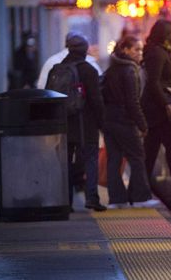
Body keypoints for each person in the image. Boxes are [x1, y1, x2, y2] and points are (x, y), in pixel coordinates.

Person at [101, 36, 157, 208]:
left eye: (141, 50)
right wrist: (142, 124)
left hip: (108, 120)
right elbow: (133, 102)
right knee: (137, 157)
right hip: (124, 120)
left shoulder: (111, 69)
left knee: (114, 159)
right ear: (125, 50)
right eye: (136, 49)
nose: (140, 53)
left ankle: (117, 200)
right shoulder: (130, 70)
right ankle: (140, 198)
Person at [141, 19, 171, 202]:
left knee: (152, 152)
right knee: (169, 151)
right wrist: (167, 106)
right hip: (157, 112)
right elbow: (153, 83)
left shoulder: (160, 52)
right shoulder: (157, 54)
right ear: (165, 35)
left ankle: (140, 192)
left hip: (157, 110)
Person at [59, 34, 106, 211]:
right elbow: (96, 100)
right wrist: (102, 124)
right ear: (85, 50)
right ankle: (91, 199)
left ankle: (66, 201)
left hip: (64, 125)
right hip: (86, 125)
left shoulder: (58, 69)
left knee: (66, 163)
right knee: (90, 161)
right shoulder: (89, 70)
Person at [37, 31, 102, 89]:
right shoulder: (91, 66)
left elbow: (42, 86)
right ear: (85, 48)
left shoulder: (52, 62)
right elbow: (96, 94)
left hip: (58, 102)